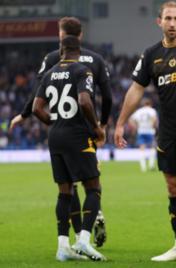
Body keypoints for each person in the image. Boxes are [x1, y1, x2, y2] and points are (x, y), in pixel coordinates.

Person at [113, 1, 176, 262]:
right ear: (159, 22)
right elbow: (137, 89)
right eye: (167, 18)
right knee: (173, 187)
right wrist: (120, 122)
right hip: (168, 132)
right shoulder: (151, 54)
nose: (172, 23)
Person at [9, 17, 111, 248]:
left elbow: (37, 97)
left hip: (58, 133)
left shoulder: (52, 61)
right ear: (81, 39)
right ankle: (85, 235)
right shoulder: (94, 60)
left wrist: (29, 116)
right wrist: (101, 126)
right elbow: (105, 96)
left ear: (61, 39)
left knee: (67, 188)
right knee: (92, 186)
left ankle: (71, 240)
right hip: (83, 132)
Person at [32, 36, 106, 261]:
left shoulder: (49, 73)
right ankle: (83, 241)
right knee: (93, 188)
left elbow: (37, 108)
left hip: (55, 138)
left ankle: (63, 247)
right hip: (78, 137)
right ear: (80, 50)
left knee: (65, 192)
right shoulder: (83, 70)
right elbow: (84, 101)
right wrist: (96, 127)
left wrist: (56, 123)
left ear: (61, 50)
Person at [128, 98, 158, 172]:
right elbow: (154, 118)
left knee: (142, 148)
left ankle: (143, 168)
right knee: (152, 147)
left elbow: (130, 120)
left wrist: (136, 127)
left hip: (141, 131)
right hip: (150, 131)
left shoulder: (139, 111)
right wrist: (153, 125)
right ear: (150, 104)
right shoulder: (152, 110)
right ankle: (151, 165)